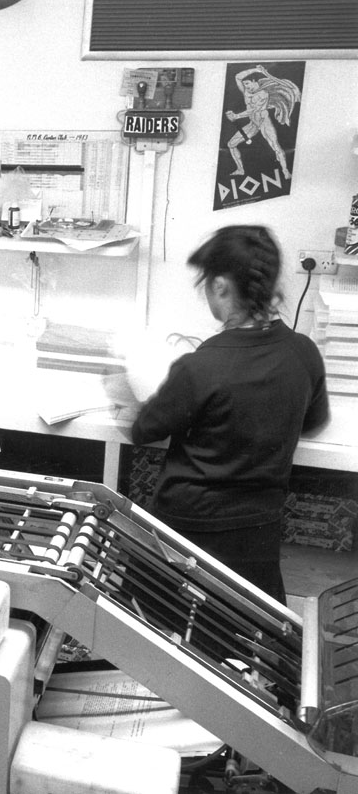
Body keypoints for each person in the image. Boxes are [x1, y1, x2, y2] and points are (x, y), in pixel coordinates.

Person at [130, 225, 329, 603]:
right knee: (244, 627)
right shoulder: (303, 353)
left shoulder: (202, 365)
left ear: (220, 286)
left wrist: (125, 390)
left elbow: (144, 430)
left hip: (188, 531)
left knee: (160, 624)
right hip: (258, 533)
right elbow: (313, 422)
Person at [225, 64, 300, 180]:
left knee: (275, 146)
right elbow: (238, 77)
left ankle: (285, 172)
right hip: (253, 124)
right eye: (245, 84)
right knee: (231, 144)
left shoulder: (263, 94)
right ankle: (240, 170)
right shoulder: (246, 92)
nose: (246, 86)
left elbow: (253, 110)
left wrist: (236, 116)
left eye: (248, 83)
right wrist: (256, 70)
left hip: (264, 123)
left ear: (254, 81)